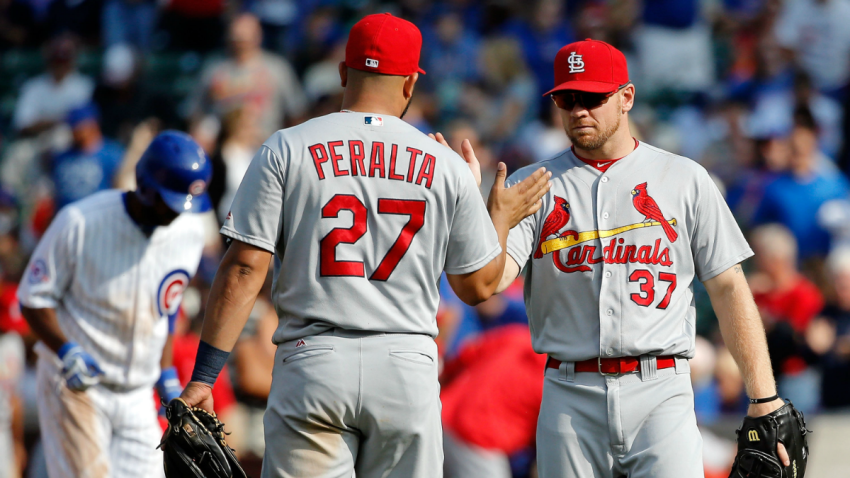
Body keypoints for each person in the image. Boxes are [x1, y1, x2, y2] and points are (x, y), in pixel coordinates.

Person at [177, 13, 550, 478]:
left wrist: (205, 376)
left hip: (313, 359)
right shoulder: (446, 165)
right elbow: (477, 286)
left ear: (342, 73)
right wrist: (496, 216)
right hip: (405, 364)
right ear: (411, 82)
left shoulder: (286, 147)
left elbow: (244, 268)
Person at [473, 39, 787, 477]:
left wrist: (764, 396)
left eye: (593, 97)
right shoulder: (533, 185)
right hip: (568, 391)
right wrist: (483, 223)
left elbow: (730, 286)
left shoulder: (684, 178)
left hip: (661, 388)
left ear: (626, 98)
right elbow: (488, 282)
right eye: (567, 98)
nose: (580, 109)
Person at [17, 131, 212, 478]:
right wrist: (66, 351)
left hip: (137, 393)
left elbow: (166, 307)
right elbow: (34, 297)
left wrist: (167, 376)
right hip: (77, 385)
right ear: (145, 185)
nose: (178, 212)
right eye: (171, 200)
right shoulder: (81, 221)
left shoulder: (190, 233)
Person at [189, 12, 308, 139]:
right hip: (223, 144)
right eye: (236, 39)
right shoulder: (214, 67)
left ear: (258, 38)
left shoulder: (277, 68)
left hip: (265, 142)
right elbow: (195, 111)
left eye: (244, 40)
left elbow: (296, 112)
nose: (239, 45)